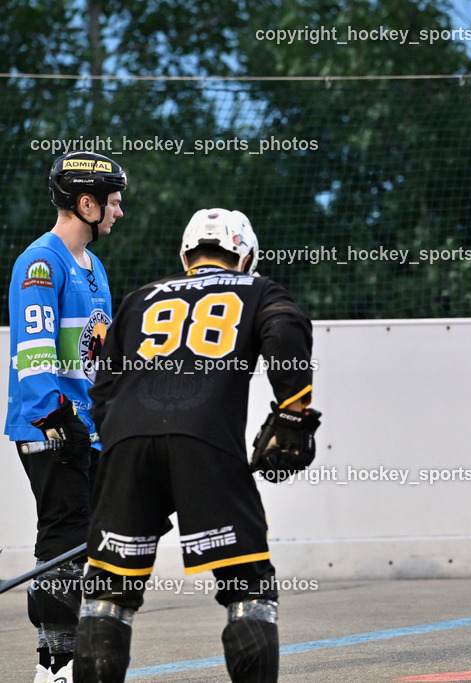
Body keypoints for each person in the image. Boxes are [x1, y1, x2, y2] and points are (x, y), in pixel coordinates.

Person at [72, 209, 321, 683]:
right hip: (206, 443)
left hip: (126, 444)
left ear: (186, 254)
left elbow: (102, 390)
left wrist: (136, 470)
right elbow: (285, 330)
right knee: (247, 588)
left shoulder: (140, 298)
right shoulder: (259, 289)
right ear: (245, 255)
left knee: (107, 594)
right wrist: (294, 413)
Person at [5, 151, 126, 683]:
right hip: (51, 429)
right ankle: (52, 667)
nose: (119, 212)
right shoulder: (40, 263)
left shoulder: (93, 266)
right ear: (86, 203)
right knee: (63, 536)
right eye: (114, 202)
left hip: (89, 428)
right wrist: (57, 419)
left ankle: (78, 654)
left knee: (91, 541)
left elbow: (97, 353)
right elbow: (33, 351)